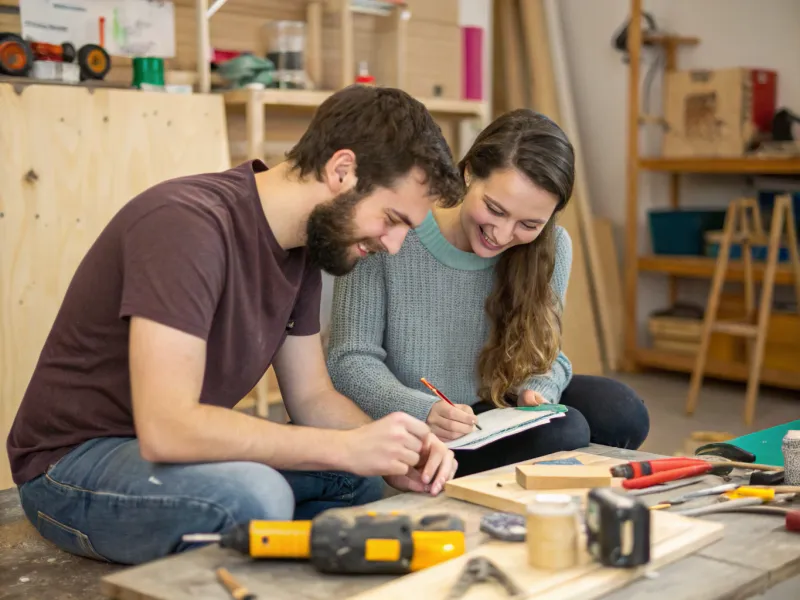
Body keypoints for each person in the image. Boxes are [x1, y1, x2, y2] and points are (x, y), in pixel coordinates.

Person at [6, 85, 464, 565]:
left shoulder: (303, 248)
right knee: (254, 497)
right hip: (71, 465)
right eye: (392, 219)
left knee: (357, 476)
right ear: (342, 170)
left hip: (167, 455)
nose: (393, 245)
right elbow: (168, 427)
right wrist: (345, 446)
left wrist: (394, 449)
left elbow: (311, 398)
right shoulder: (187, 224)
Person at [326, 109, 650, 477]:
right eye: (494, 209)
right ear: (468, 174)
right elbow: (349, 361)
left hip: (495, 410)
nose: (502, 234)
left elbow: (547, 354)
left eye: (529, 224)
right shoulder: (394, 230)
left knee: (622, 411)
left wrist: (537, 391)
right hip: (416, 419)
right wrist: (424, 410)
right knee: (567, 430)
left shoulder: (552, 246)